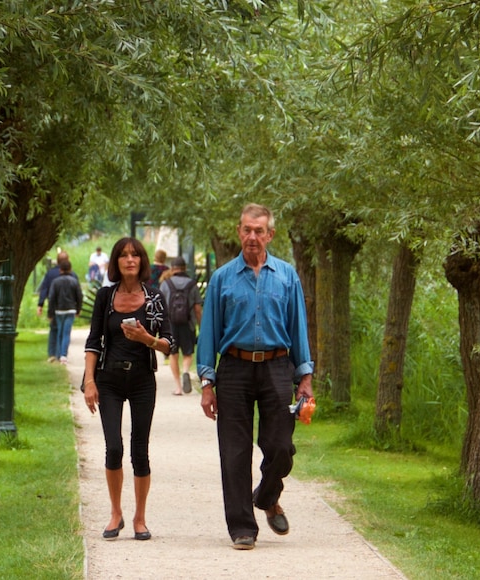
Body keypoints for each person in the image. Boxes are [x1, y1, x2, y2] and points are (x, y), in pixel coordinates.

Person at [196, 203, 314, 551]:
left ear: (270, 235)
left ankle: (266, 496)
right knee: (234, 451)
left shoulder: (287, 276)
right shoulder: (222, 278)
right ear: (239, 232)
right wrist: (207, 383)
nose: (252, 236)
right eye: (247, 230)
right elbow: (208, 333)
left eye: (259, 231)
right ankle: (242, 527)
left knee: (281, 446)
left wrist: (304, 377)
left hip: (277, 367)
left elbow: (298, 328)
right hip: (234, 368)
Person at [83, 237, 174, 542]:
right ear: (116, 262)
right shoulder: (105, 296)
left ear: (142, 261)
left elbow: (169, 344)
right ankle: (115, 513)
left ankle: (140, 518)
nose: (130, 260)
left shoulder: (154, 298)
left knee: (139, 450)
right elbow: (93, 341)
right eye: (123, 255)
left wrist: (146, 339)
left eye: (135, 255)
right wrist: (89, 381)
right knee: (113, 447)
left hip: (142, 380)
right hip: (109, 379)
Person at [160, 256, 202, 396]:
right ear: (185, 268)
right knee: (188, 353)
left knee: (173, 354)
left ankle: (178, 387)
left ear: (172, 269)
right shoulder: (192, 284)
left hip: (170, 325)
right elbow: (197, 308)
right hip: (188, 324)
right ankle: (186, 371)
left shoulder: (166, 284)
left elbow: (161, 307)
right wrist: (200, 325)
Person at [46, 258, 83, 364]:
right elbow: (79, 296)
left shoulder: (55, 282)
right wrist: (78, 309)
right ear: (70, 269)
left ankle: (58, 354)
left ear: (60, 269)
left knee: (59, 332)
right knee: (66, 333)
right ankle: (63, 355)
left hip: (59, 310)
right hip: (70, 310)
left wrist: (50, 313)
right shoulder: (74, 281)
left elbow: (52, 298)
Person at [37, 250, 69, 362]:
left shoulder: (50, 274)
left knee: (54, 330)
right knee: (65, 331)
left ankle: (52, 353)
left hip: (54, 305)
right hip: (68, 307)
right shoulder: (72, 275)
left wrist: (40, 304)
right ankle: (62, 354)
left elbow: (44, 289)